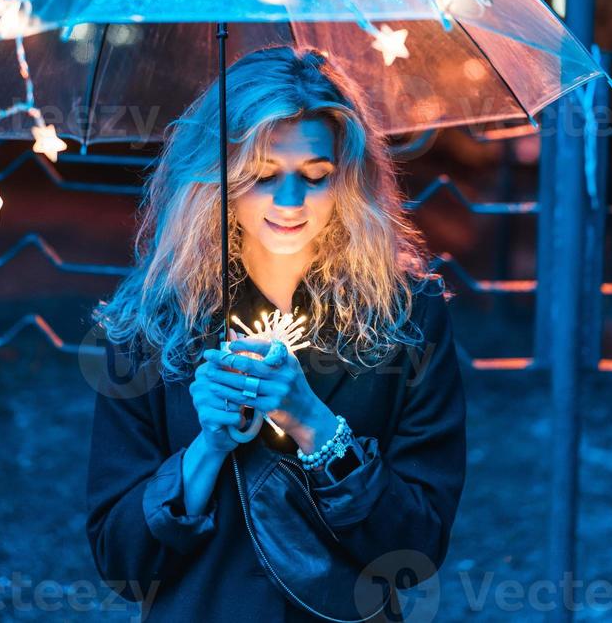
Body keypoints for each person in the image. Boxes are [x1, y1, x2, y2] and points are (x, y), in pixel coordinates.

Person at [85, 44, 467, 623]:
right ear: (217, 176)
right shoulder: (152, 321)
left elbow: (413, 553)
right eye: (263, 175)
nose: (290, 202)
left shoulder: (405, 316)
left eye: (316, 176)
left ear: (348, 180)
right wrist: (208, 448)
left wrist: (313, 424)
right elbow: (122, 562)